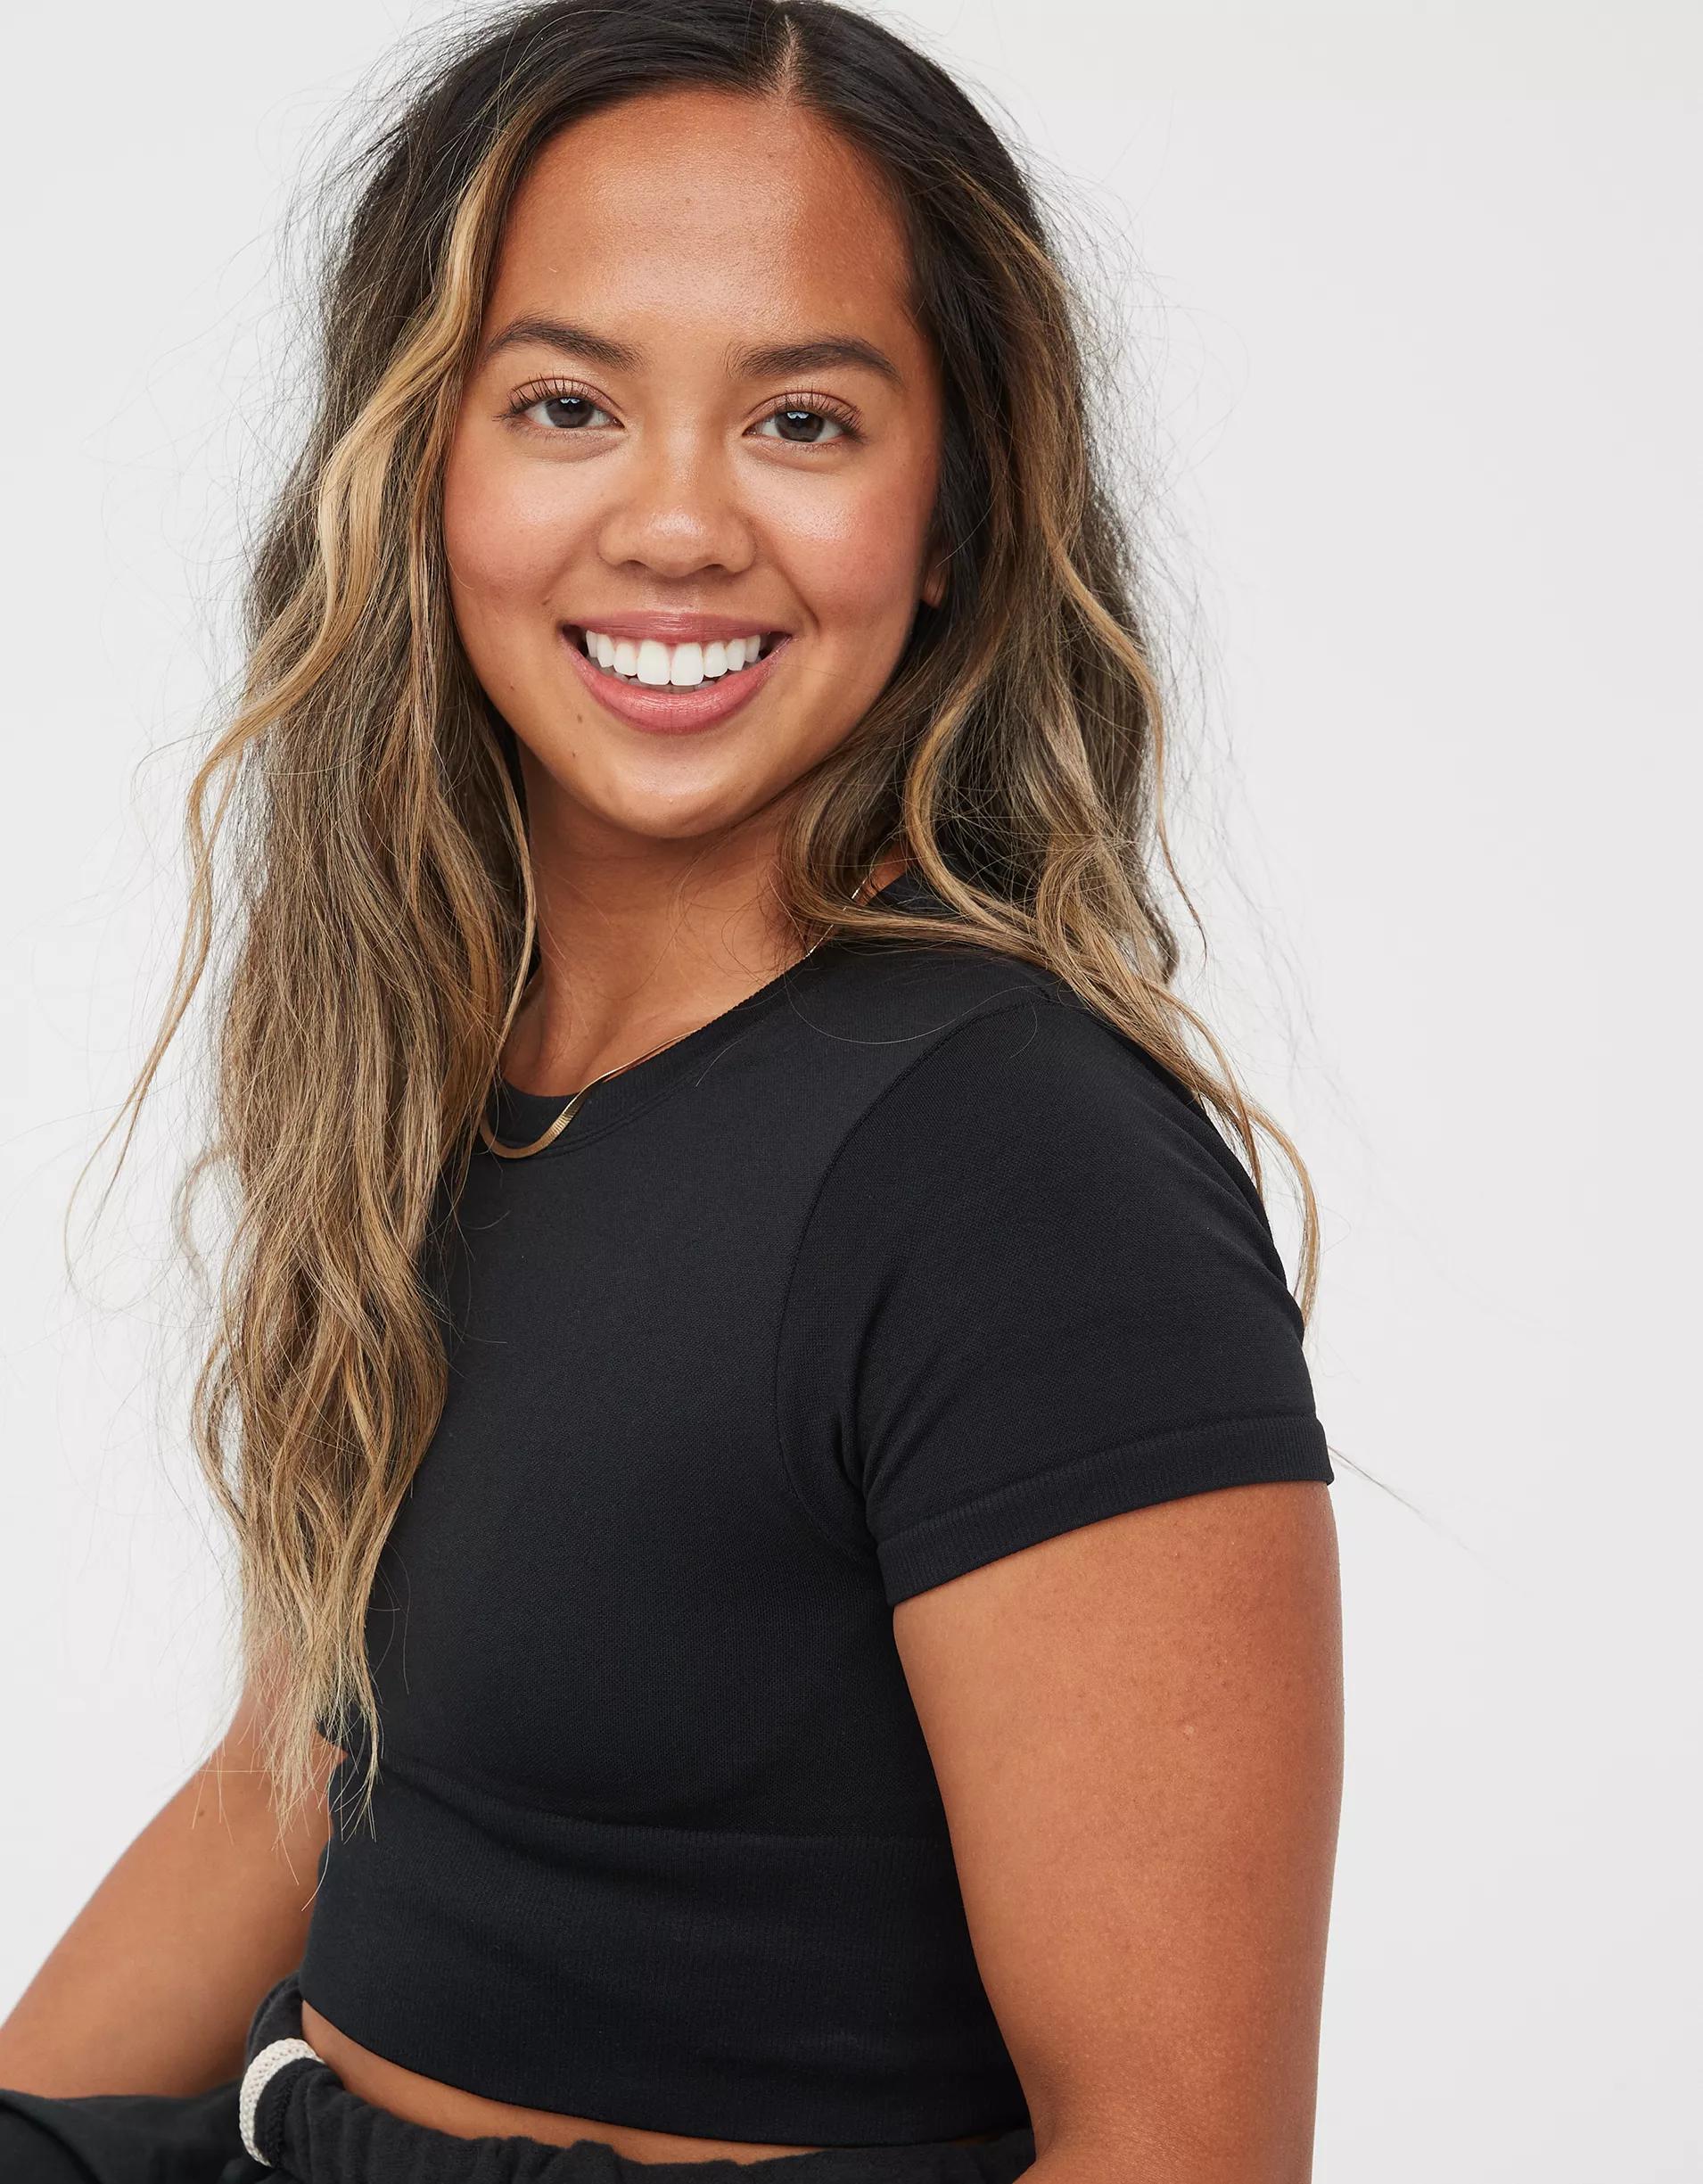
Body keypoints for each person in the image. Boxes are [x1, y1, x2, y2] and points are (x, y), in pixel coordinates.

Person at [0, 2, 1344, 2179]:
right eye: (567, 405)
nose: (681, 523)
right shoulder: (452, 1059)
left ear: (950, 516)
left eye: (803, 418)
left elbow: (1180, 2150)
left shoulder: (1021, 1171)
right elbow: (328, 1749)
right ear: (422, 465)